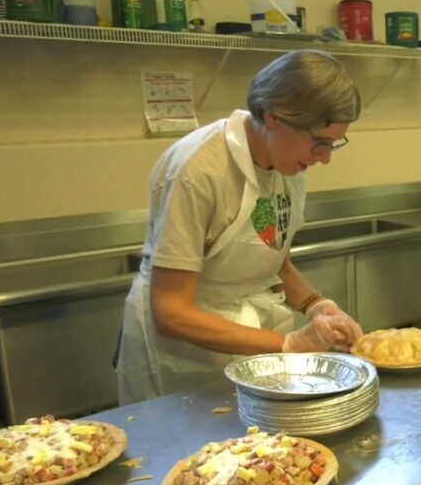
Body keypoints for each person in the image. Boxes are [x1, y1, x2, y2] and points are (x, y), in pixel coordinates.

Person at [116, 50, 365, 405]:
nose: (324, 157)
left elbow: (270, 257)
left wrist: (317, 305)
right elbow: (171, 312)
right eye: (319, 142)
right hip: (183, 355)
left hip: (250, 340)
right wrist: (289, 344)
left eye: (333, 144)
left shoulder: (287, 165)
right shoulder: (199, 171)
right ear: (273, 115)